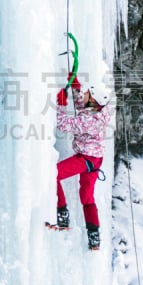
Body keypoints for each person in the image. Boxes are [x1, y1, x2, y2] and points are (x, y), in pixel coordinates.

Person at [54, 74, 111, 250]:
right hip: (94, 159)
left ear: (92, 99)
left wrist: (61, 105)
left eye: (87, 92)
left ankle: (62, 213)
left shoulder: (88, 120)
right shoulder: (97, 110)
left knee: (53, 174)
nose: (84, 93)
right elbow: (82, 105)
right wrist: (76, 87)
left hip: (86, 159)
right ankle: (94, 236)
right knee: (87, 197)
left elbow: (63, 124)